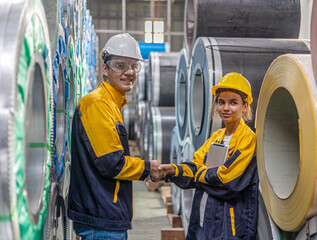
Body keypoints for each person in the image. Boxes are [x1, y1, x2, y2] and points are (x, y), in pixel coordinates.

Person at [67, 33, 164, 240]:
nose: (129, 72)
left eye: (133, 66)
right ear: (105, 69)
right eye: (121, 66)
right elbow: (113, 164)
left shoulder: (112, 104)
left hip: (105, 217)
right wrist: (148, 168)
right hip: (101, 220)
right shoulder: (98, 104)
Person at [160, 72, 259, 239]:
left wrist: (200, 174)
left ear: (245, 106)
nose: (226, 108)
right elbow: (195, 165)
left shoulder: (248, 140)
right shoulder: (216, 137)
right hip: (203, 219)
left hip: (228, 227)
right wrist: (173, 170)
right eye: (221, 102)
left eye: (233, 103)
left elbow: (226, 181)